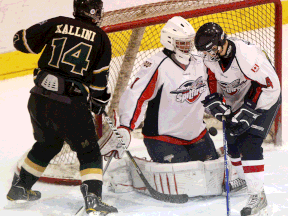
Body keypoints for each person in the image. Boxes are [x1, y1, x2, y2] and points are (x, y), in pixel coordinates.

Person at [6, 0, 118, 215]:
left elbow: (22, 42)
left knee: (47, 144)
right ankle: (93, 200)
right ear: (97, 12)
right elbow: (99, 80)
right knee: (89, 151)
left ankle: (20, 188)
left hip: (38, 100)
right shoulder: (101, 37)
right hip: (70, 105)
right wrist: (99, 101)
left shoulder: (57, 23)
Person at [101, 16, 224, 197]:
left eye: (189, 42)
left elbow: (211, 91)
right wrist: (126, 127)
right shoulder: (156, 65)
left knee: (213, 180)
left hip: (197, 135)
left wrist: (221, 107)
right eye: (182, 43)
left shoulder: (200, 62)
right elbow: (136, 96)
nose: (188, 47)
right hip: (164, 139)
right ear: (170, 42)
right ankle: (124, 172)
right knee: (184, 186)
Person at [194, 22, 281, 216]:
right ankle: (243, 178)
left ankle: (258, 196)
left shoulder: (247, 56)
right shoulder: (210, 58)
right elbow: (210, 80)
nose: (207, 55)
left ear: (221, 42)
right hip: (238, 100)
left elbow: (268, 85)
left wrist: (249, 111)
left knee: (250, 143)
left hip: (265, 98)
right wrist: (214, 101)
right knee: (232, 139)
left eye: (210, 50)